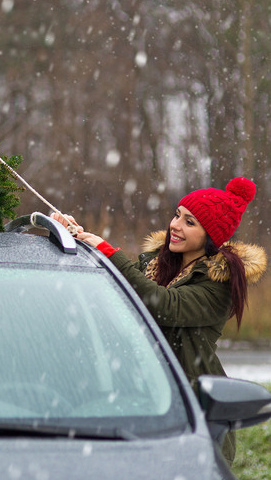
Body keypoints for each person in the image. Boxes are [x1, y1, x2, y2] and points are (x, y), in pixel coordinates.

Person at [52, 177, 267, 465]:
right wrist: (78, 238)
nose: (175, 225)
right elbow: (117, 294)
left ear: (211, 237)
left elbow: (162, 305)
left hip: (190, 414)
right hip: (138, 402)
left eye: (190, 222)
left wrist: (109, 252)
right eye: (177, 215)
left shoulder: (217, 285)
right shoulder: (156, 266)